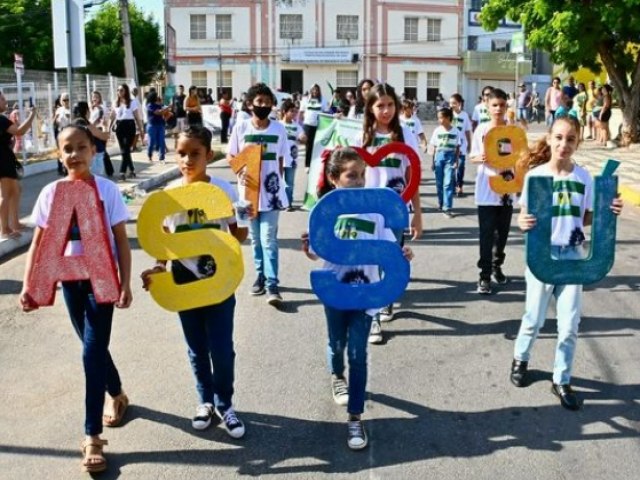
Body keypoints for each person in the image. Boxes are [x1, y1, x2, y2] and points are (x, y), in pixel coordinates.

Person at [19, 122, 132, 473]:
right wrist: (29, 284)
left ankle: (91, 436)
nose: (74, 154)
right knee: (92, 346)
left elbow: (122, 241)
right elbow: (38, 244)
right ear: (58, 154)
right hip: (70, 281)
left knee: (90, 352)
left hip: (101, 282)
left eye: (81, 147)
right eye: (67, 148)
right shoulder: (51, 193)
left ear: (94, 151)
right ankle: (117, 393)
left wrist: (124, 282)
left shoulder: (108, 190)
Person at [302, 147, 414, 450]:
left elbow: (389, 246)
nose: (360, 181)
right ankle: (337, 375)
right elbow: (316, 251)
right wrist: (307, 247)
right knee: (336, 343)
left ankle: (355, 417)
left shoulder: (373, 212)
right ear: (334, 178)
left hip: (367, 292)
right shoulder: (326, 210)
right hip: (335, 291)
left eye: (363, 174)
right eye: (352, 175)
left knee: (358, 354)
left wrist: (402, 253)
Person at [141, 126, 248, 439]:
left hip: (218, 281)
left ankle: (225, 404)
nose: (188, 159)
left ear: (209, 155)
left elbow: (238, 237)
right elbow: (163, 244)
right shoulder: (169, 197)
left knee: (222, 349)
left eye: (195, 153)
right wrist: (158, 268)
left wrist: (244, 213)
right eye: (182, 153)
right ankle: (204, 401)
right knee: (196, 349)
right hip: (183, 281)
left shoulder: (223, 190)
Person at [510, 115, 623, 411]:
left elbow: (587, 217)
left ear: (578, 143)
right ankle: (521, 359)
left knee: (570, 323)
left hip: (573, 255)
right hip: (542, 254)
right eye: (559, 137)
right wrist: (522, 221)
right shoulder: (536, 176)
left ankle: (561, 379)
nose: (564, 144)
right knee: (534, 318)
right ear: (549, 138)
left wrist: (607, 210)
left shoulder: (583, 177)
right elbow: (524, 215)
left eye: (570, 139)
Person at [358, 82, 422, 341]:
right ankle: (373, 318)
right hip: (366, 210)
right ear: (370, 108)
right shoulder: (361, 136)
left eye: (390, 105)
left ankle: (385, 298)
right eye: (379, 105)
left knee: (389, 257)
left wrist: (417, 214)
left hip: (395, 209)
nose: (385, 111)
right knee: (370, 259)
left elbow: (412, 175)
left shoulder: (405, 134)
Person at [227, 82, 289, 306]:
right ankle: (260, 275)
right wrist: (240, 171)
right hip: (247, 193)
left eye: (267, 102)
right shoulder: (240, 127)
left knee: (268, 239)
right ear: (250, 103)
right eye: (258, 101)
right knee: (255, 239)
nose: (263, 105)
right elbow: (232, 157)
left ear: (272, 104)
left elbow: (281, 159)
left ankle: (273, 283)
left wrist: (279, 184)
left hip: (271, 193)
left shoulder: (279, 129)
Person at [470, 88, 514, 295]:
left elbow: (520, 157)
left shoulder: (512, 130)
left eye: (502, 105)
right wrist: (484, 158)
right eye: (494, 105)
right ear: (487, 107)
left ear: (507, 107)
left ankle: (497, 267)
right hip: (486, 190)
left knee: (502, 235)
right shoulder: (481, 130)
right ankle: (484, 276)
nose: (498, 109)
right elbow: (473, 157)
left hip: (506, 190)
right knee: (487, 235)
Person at [0, 92, 35, 239]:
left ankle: (15, 223)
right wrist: (32, 115)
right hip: (2, 159)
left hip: (4, 157)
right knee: (5, 194)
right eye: (1, 98)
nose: (5, 100)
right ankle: (5, 229)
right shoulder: (1, 119)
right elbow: (20, 131)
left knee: (16, 190)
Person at [428, 107, 461, 217]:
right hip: (439, 157)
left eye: (441, 118)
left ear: (448, 118)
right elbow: (433, 147)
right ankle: (441, 203)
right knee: (439, 183)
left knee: (448, 183)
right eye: (438, 118)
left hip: (450, 157)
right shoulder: (437, 131)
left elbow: (457, 148)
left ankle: (447, 208)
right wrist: (432, 162)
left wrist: (456, 161)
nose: (439, 120)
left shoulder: (456, 131)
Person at [109, 84, 144, 181]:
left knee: (126, 148)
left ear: (126, 91)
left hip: (129, 125)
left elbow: (137, 117)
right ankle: (132, 169)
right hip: (119, 126)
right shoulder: (115, 103)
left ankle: (122, 171)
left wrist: (141, 130)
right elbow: (112, 116)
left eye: (121, 90)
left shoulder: (132, 102)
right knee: (124, 150)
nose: (119, 92)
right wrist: (108, 128)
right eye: (118, 90)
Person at [280, 98, 307, 211]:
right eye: (291, 111)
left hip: (291, 159)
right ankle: (279, 201)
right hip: (279, 158)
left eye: (295, 111)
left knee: (290, 183)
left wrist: (303, 138)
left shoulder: (297, 126)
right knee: (279, 181)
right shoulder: (278, 125)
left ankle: (288, 203)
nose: (294, 114)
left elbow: (303, 137)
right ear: (284, 111)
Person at [73, 102, 110, 176]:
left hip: (82, 155)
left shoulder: (75, 123)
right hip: (94, 157)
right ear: (86, 111)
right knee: (96, 180)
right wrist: (105, 126)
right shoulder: (84, 124)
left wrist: (96, 123)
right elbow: (104, 136)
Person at [299, 83, 328, 170]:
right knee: (308, 145)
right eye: (313, 89)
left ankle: (316, 163)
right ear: (311, 90)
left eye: (317, 89)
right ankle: (307, 165)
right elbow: (301, 113)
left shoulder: (323, 100)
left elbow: (326, 112)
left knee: (316, 144)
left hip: (318, 125)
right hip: (307, 125)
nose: (315, 91)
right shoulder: (305, 99)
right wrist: (300, 126)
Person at [449, 93, 472, 197]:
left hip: (462, 145)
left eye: (454, 103)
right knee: (452, 166)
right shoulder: (448, 114)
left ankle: (460, 186)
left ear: (459, 103)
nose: (452, 105)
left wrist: (469, 144)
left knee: (461, 165)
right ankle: (453, 186)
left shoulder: (464, 115)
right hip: (450, 145)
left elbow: (467, 131)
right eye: (450, 103)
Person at [145, 91, 169, 163]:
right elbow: (158, 112)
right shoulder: (149, 105)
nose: (157, 97)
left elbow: (164, 111)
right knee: (151, 142)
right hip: (152, 125)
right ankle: (150, 155)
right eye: (156, 96)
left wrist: (166, 109)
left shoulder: (158, 105)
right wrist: (166, 109)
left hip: (160, 125)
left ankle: (162, 158)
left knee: (161, 141)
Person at [53, 92, 72, 175]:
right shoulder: (59, 110)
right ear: (61, 101)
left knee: (69, 150)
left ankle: (69, 168)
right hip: (61, 130)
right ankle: (61, 168)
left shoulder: (72, 109)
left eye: (67, 100)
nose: (66, 102)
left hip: (69, 131)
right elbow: (54, 122)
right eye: (64, 100)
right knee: (61, 150)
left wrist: (70, 118)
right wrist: (55, 119)